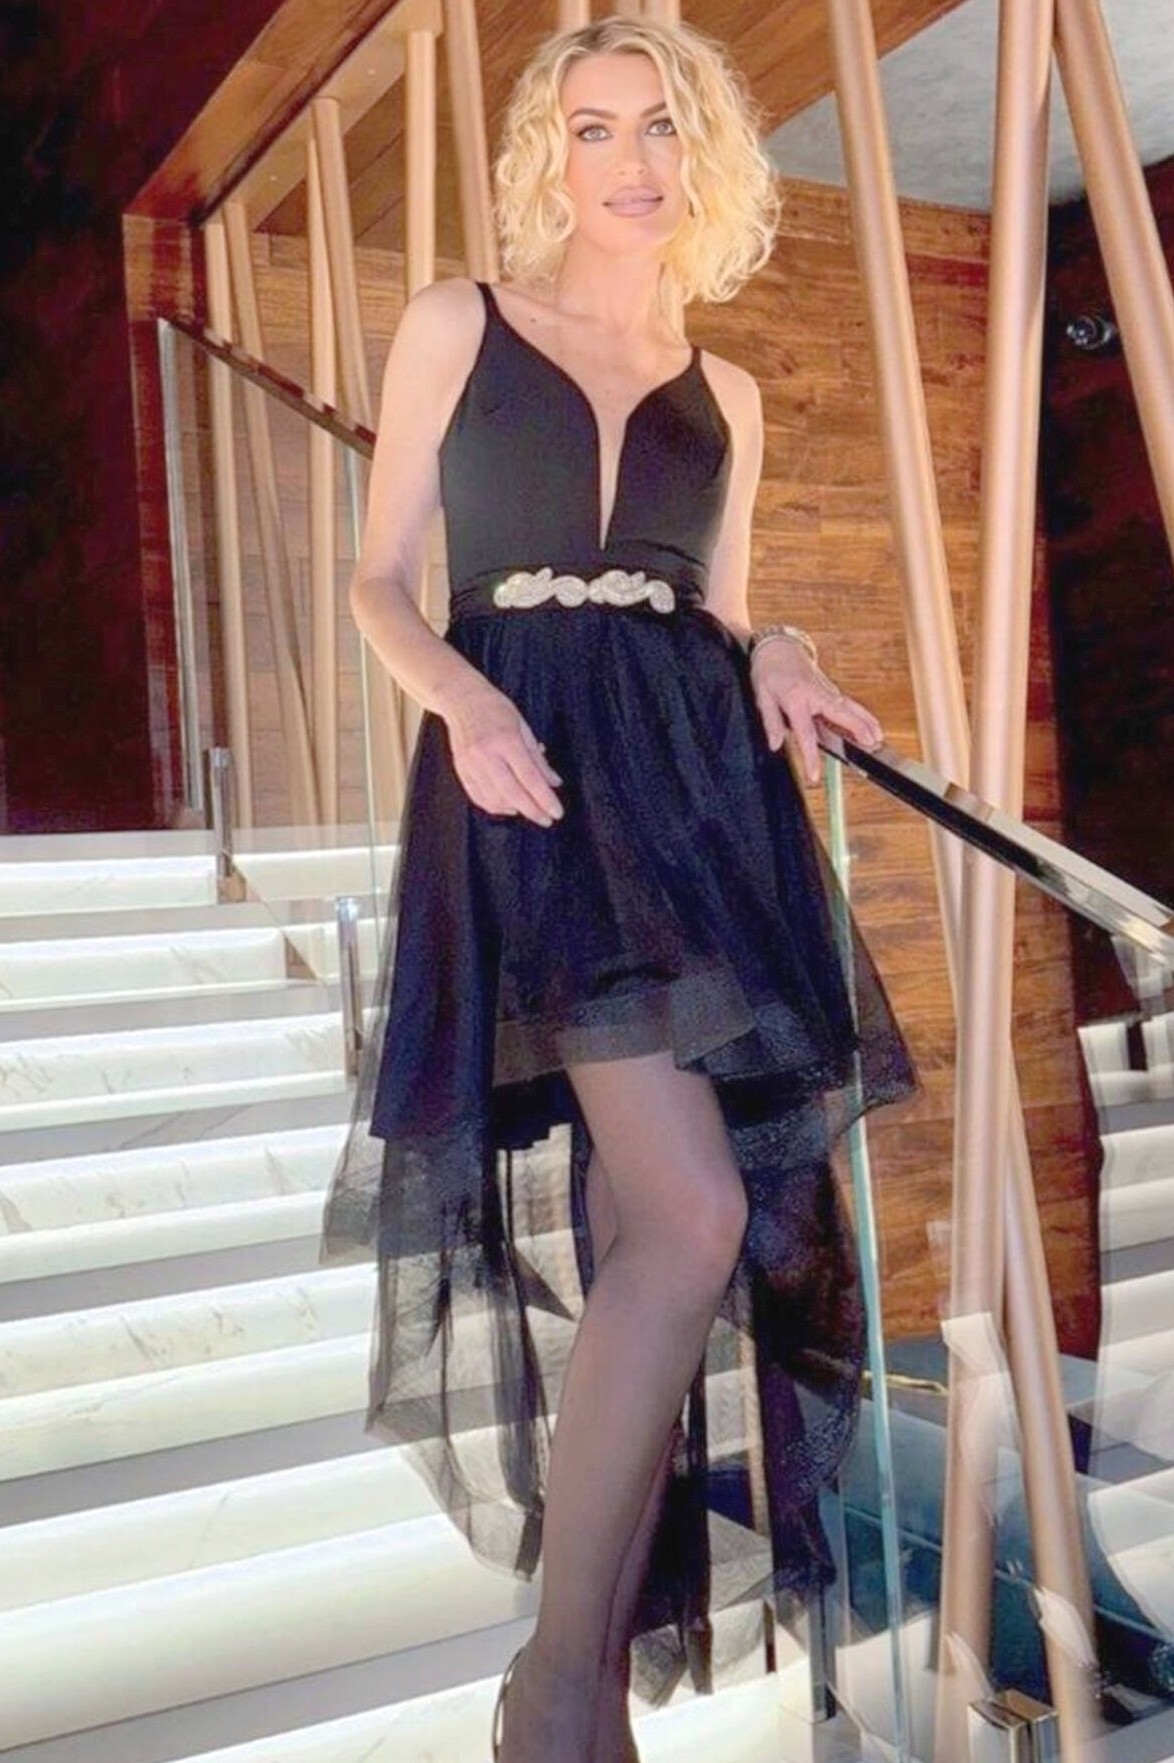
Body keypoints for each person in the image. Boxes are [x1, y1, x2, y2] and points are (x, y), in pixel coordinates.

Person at [318, 14, 916, 1763]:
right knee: (693, 1215)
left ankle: (565, 1695)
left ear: (699, 152)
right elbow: (377, 579)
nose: (630, 160)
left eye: (659, 126)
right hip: (526, 781)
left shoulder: (724, 395)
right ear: (549, 157)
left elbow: (714, 607)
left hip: (693, 802)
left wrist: (780, 641)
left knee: (661, 1225)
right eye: (593, 129)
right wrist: (461, 698)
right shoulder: (460, 322)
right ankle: (561, 1685)